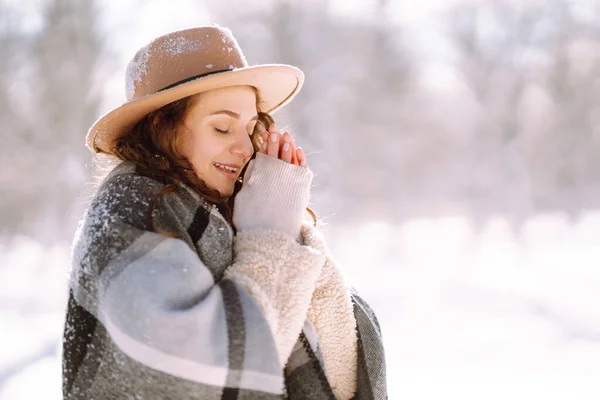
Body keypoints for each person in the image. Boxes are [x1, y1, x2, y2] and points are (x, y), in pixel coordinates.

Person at [61, 25, 387, 400]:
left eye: (250, 129)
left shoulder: (228, 216)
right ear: (160, 126)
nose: (245, 148)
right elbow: (196, 378)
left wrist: (290, 230)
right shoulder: (128, 212)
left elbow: (341, 370)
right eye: (221, 126)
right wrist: (272, 239)